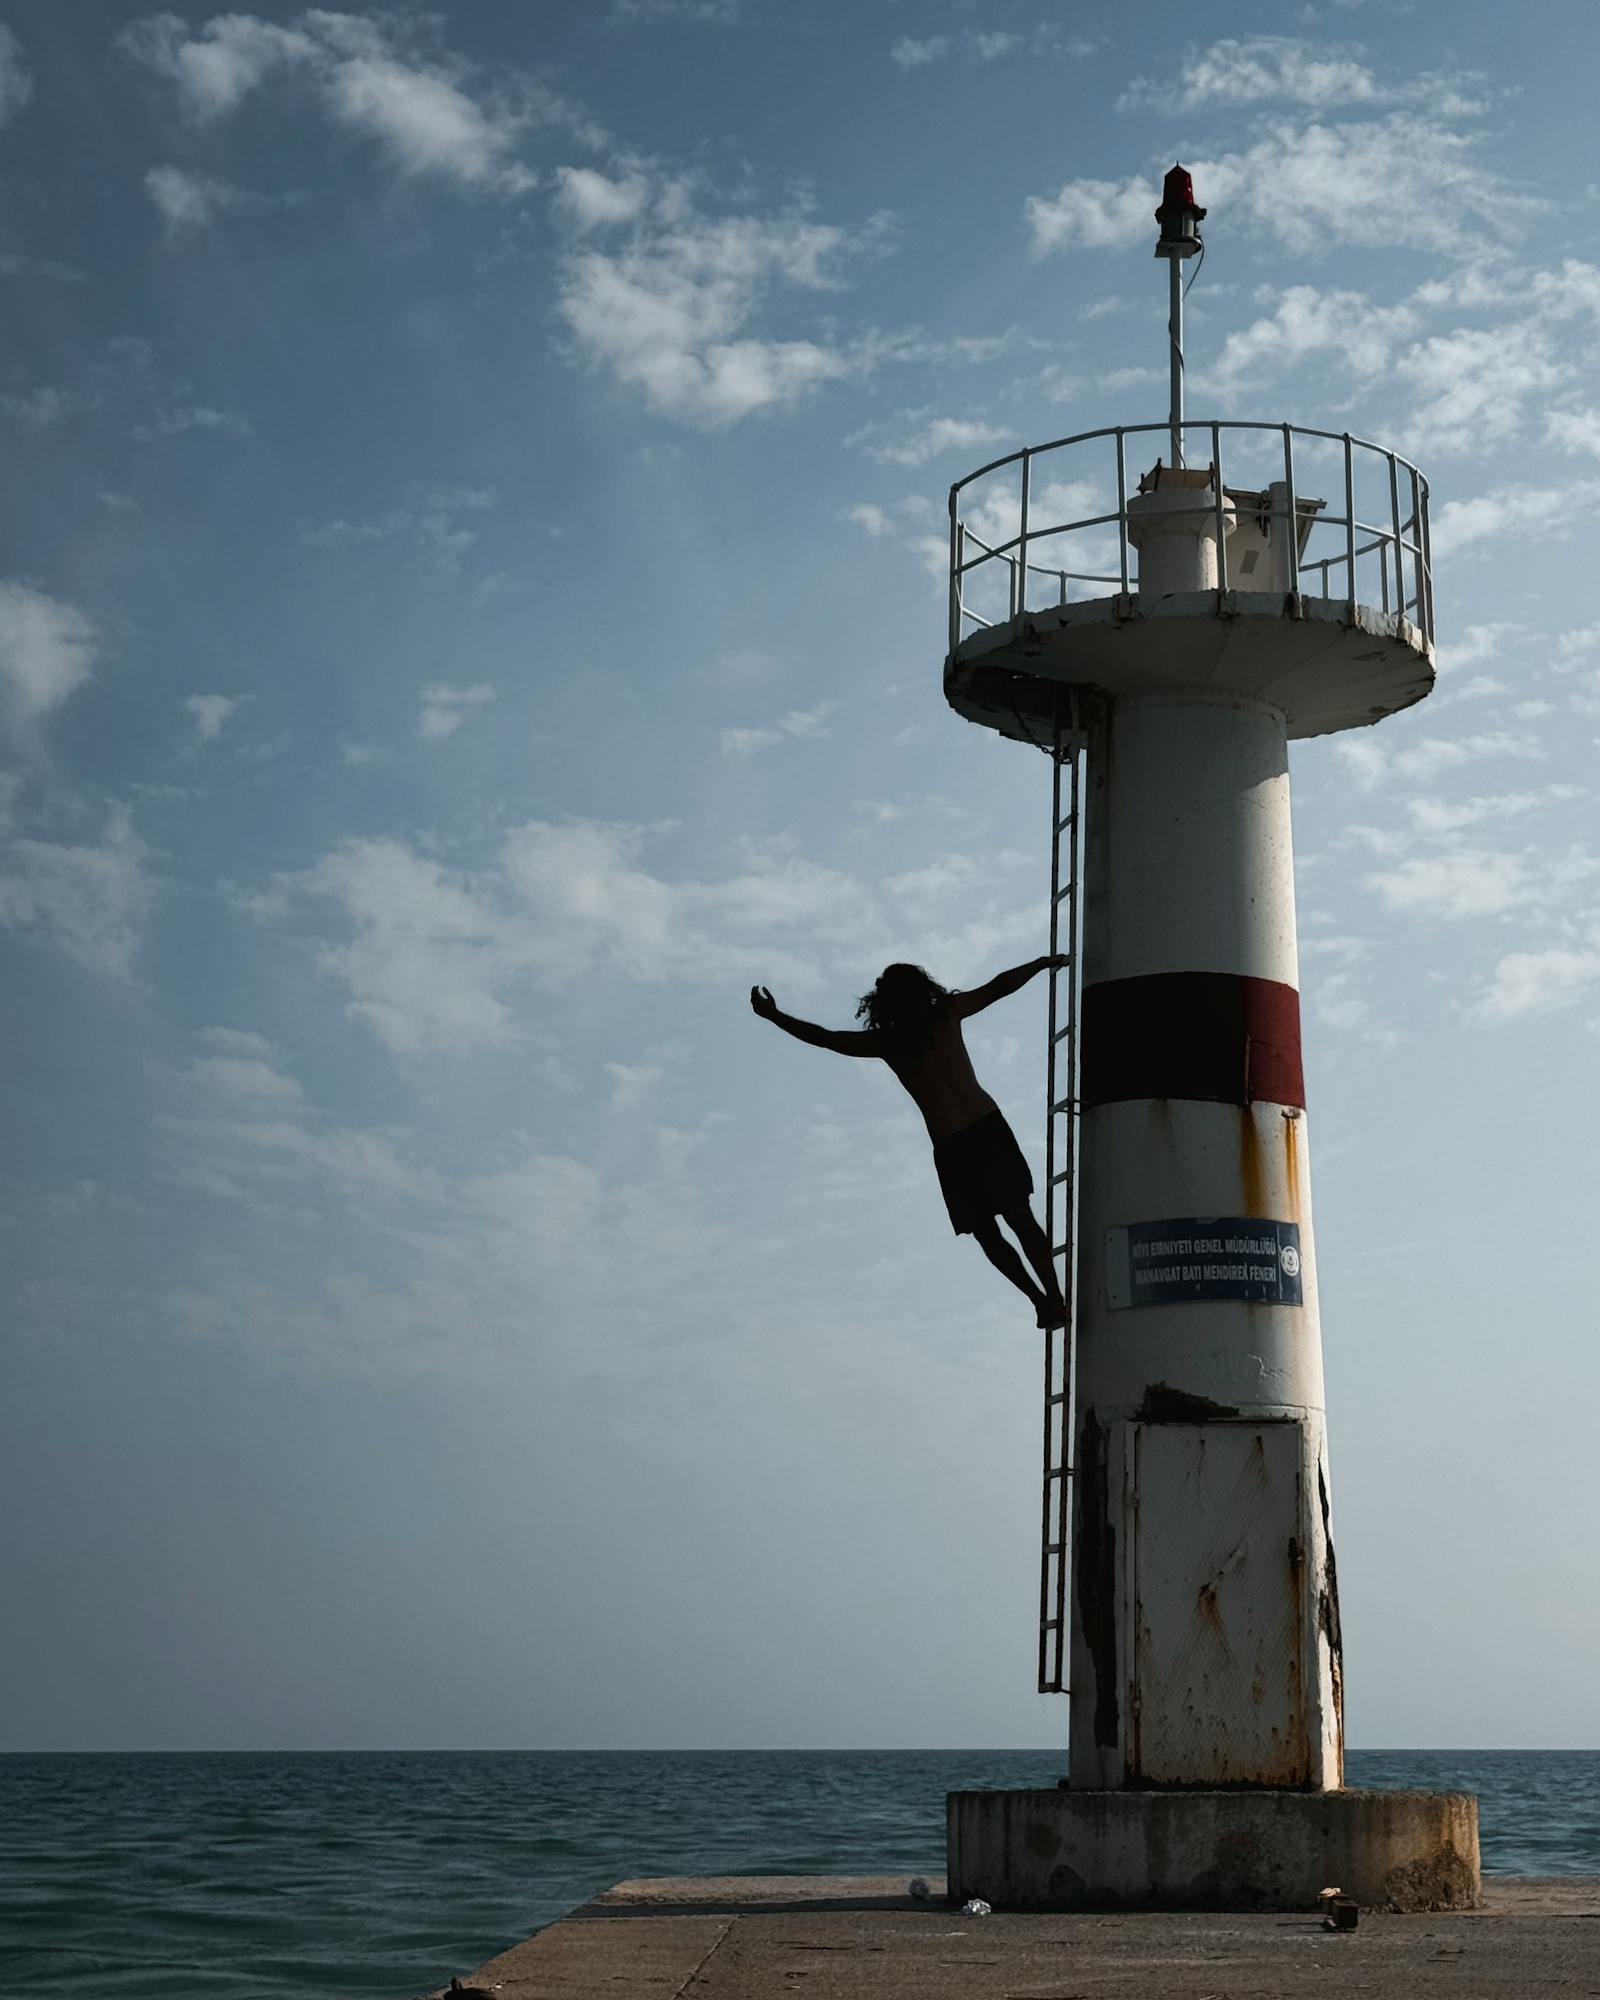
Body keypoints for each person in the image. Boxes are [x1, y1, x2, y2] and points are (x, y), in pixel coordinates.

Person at [750, 958, 1070, 1329]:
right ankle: (1048, 1300)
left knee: (1004, 1226)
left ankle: (1048, 1300)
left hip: (967, 1137)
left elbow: (826, 1038)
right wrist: (1042, 963)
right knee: (1007, 1224)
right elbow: (999, 985)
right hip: (972, 1135)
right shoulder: (922, 1026)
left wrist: (776, 1017)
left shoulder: (906, 1033)